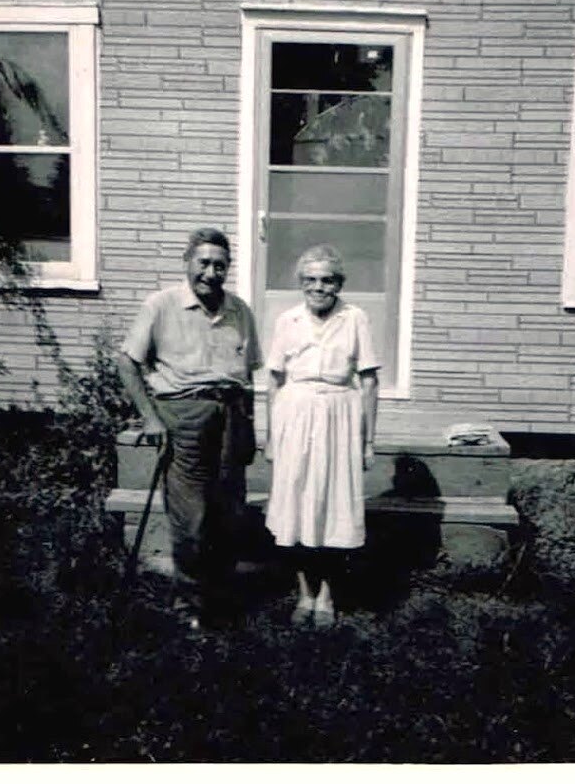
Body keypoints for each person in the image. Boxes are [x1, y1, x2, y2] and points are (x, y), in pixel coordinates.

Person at [117, 227, 261, 630]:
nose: (211, 273)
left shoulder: (239, 311)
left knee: (229, 516)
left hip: (232, 416)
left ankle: (222, 602)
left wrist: (249, 429)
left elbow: (247, 375)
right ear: (187, 263)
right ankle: (190, 611)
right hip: (183, 416)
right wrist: (150, 417)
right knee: (192, 521)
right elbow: (127, 363)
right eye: (204, 263)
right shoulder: (161, 305)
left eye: (220, 265)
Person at [264, 244, 380, 628]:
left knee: (334, 506)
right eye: (310, 280)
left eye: (327, 280)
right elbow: (275, 381)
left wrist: (367, 441)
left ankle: (327, 595)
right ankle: (303, 592)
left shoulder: (355, 318)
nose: (318, 287)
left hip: (339, 415)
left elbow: (368, 382)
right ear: (301, 283)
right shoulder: (288, 320)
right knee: (297, 506)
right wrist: (272, 436)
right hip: (295, 415)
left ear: (339, 284)